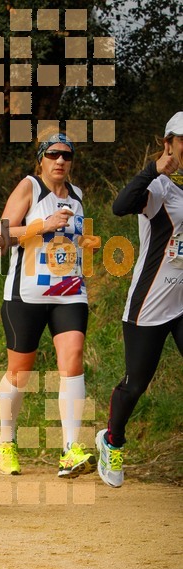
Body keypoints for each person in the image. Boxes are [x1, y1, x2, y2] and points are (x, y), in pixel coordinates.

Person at [0, 132, 97, 478]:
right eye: (53, 155)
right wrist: (42, 225)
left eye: (67, 156)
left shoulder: (78, 197)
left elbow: (72, 241)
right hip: (26, 295)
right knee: (20, 373)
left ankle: (70, 449)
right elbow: (1, 236)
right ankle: (6, 441)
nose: (61, 161)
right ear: (42, 159)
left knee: (73, 358)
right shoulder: (30, 187)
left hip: (70, 293)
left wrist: (85, 243)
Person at [96, 112, 183, 487]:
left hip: (182, 304)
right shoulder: (160, 188)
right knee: (135, 383)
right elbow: (120, 205)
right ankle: (112, 441)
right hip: (149, 305)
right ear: (169, 144)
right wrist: (152, 168)